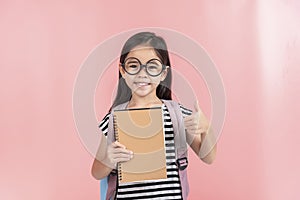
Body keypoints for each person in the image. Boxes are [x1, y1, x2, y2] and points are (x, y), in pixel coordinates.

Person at [91, 32, 217, 199]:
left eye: (152, 66)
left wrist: (206, 128)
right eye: (134, 66)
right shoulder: (113, 119)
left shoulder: (177, 115)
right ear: (123, 71)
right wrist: (109, 159)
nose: (142, 74)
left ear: (163, 73)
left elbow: (208, 157)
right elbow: (96, 172)